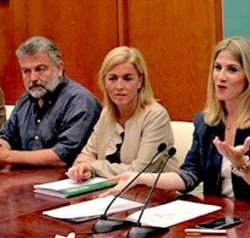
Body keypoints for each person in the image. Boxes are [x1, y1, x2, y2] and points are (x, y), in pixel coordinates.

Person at [107, 37, 250, 203]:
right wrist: (140, 178)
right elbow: (189, 174)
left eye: (232, 70)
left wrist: (242, 164)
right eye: (217, 68)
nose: (221, 77)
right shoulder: (206, 122)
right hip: (218, 218)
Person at [0, 36, 99, 167]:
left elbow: (63, 156)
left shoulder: (80, 101)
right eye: (26, 71)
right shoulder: (26, 100)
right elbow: (9, 136)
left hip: (64, 181)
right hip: (24, 179)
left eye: (40, 69)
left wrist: (7, 156)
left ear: (59, 68)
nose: (33, 78)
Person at [66, 46, 180, 180]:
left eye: (127, 78)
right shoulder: (107, 114)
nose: (119, 86)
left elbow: (140, 171)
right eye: (112, 78)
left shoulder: (156, 115)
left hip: (154, 196)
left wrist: (94, 166)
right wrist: (84, 169)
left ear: (140, 81)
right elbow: (84, 157)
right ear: (104, 82)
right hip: (112, 192)